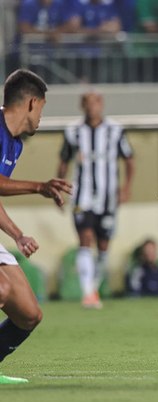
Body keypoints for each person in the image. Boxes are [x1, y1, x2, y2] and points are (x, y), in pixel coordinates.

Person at [0, 69, 72, 384]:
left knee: (29, 313)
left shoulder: (14, 145)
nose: (41, 117)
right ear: (31, 103)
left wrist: (17, 234)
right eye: (42, 108)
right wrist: (39, 186)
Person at [57, 90, 134, 309]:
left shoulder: (115, 130)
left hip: (108, 197)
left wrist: (126, 188)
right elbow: (63, 161)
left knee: (103, 244)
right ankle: (88, 292)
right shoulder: (73, 131)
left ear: (101, 104)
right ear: (82, 106)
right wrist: (58, 188)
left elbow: (129, 160)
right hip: (82, 196)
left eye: (95, 102)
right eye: (88, 103)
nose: (92, 107)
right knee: (85, 239)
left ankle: (93, 287)